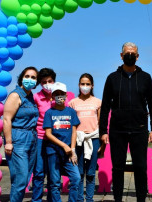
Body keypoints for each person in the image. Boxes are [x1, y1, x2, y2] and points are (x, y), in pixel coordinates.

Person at [99, 42, 152, 202]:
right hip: (117, 130)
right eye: (127, 53)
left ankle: (141, 199)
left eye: (133, 53)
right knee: (117, 167)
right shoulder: (112, 78)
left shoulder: (146, 78)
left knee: (140, 167)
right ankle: (118, 199)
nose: (130, 55)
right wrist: (103, 131)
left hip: (139, 129)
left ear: (137, 56)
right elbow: (104, 107)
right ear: (121, 55)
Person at [33, 68, 75, 201]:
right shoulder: (36, 97)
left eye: (50, 81)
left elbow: (67, 117)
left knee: (53, 174)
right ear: (40, 83)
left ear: (54, 81)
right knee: (39, 172)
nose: (47, 84)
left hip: (56, 139)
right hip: (40, 137)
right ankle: (37, 199)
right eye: (44, 82)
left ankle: (52, 199)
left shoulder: (59, 97)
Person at [3, 66, 39, 201]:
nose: (30, 80)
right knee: (21, 179)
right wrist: (8, 142)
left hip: (31, 138)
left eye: (33, 77)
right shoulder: (15, 95)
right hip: (18, 138)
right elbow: (7, 119)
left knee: (24, 179)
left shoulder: (30, 97)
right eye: (27, 76)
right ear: (21, 78)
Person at [43, 82, 81, 202]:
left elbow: (74, 132)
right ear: (52, 96)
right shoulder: (49, 113)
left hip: (69, 152)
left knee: (76, 178)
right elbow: (48, 134)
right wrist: (64, 145)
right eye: (56, 94)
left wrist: (73, 149)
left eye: (61, 93)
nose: (59, 96)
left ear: (66, 94)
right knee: (54, 183)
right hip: (53, 152)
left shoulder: (71, 112)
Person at [69, 73, 102, 202]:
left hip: (93, 139)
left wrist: (102, 145)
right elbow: (71, 123)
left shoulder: (98, 102)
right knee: (79, 172)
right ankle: (78, 199)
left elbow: (100, 123)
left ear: (92, 86)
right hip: (77, 140)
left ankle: (89, 199)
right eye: (83, 84)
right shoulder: (72, 103)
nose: (85, 86)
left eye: (88, 84)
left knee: (91, 173)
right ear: (79, 85)